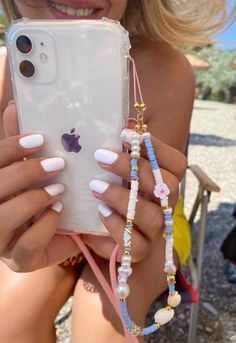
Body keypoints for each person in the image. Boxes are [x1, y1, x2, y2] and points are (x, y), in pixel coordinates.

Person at [0, 1, 231, 342]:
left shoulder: (167, 70)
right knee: (10, 319)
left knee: (102, 325)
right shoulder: (8, 71)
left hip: (150, 224)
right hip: (48, 222)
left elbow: (158, 202)